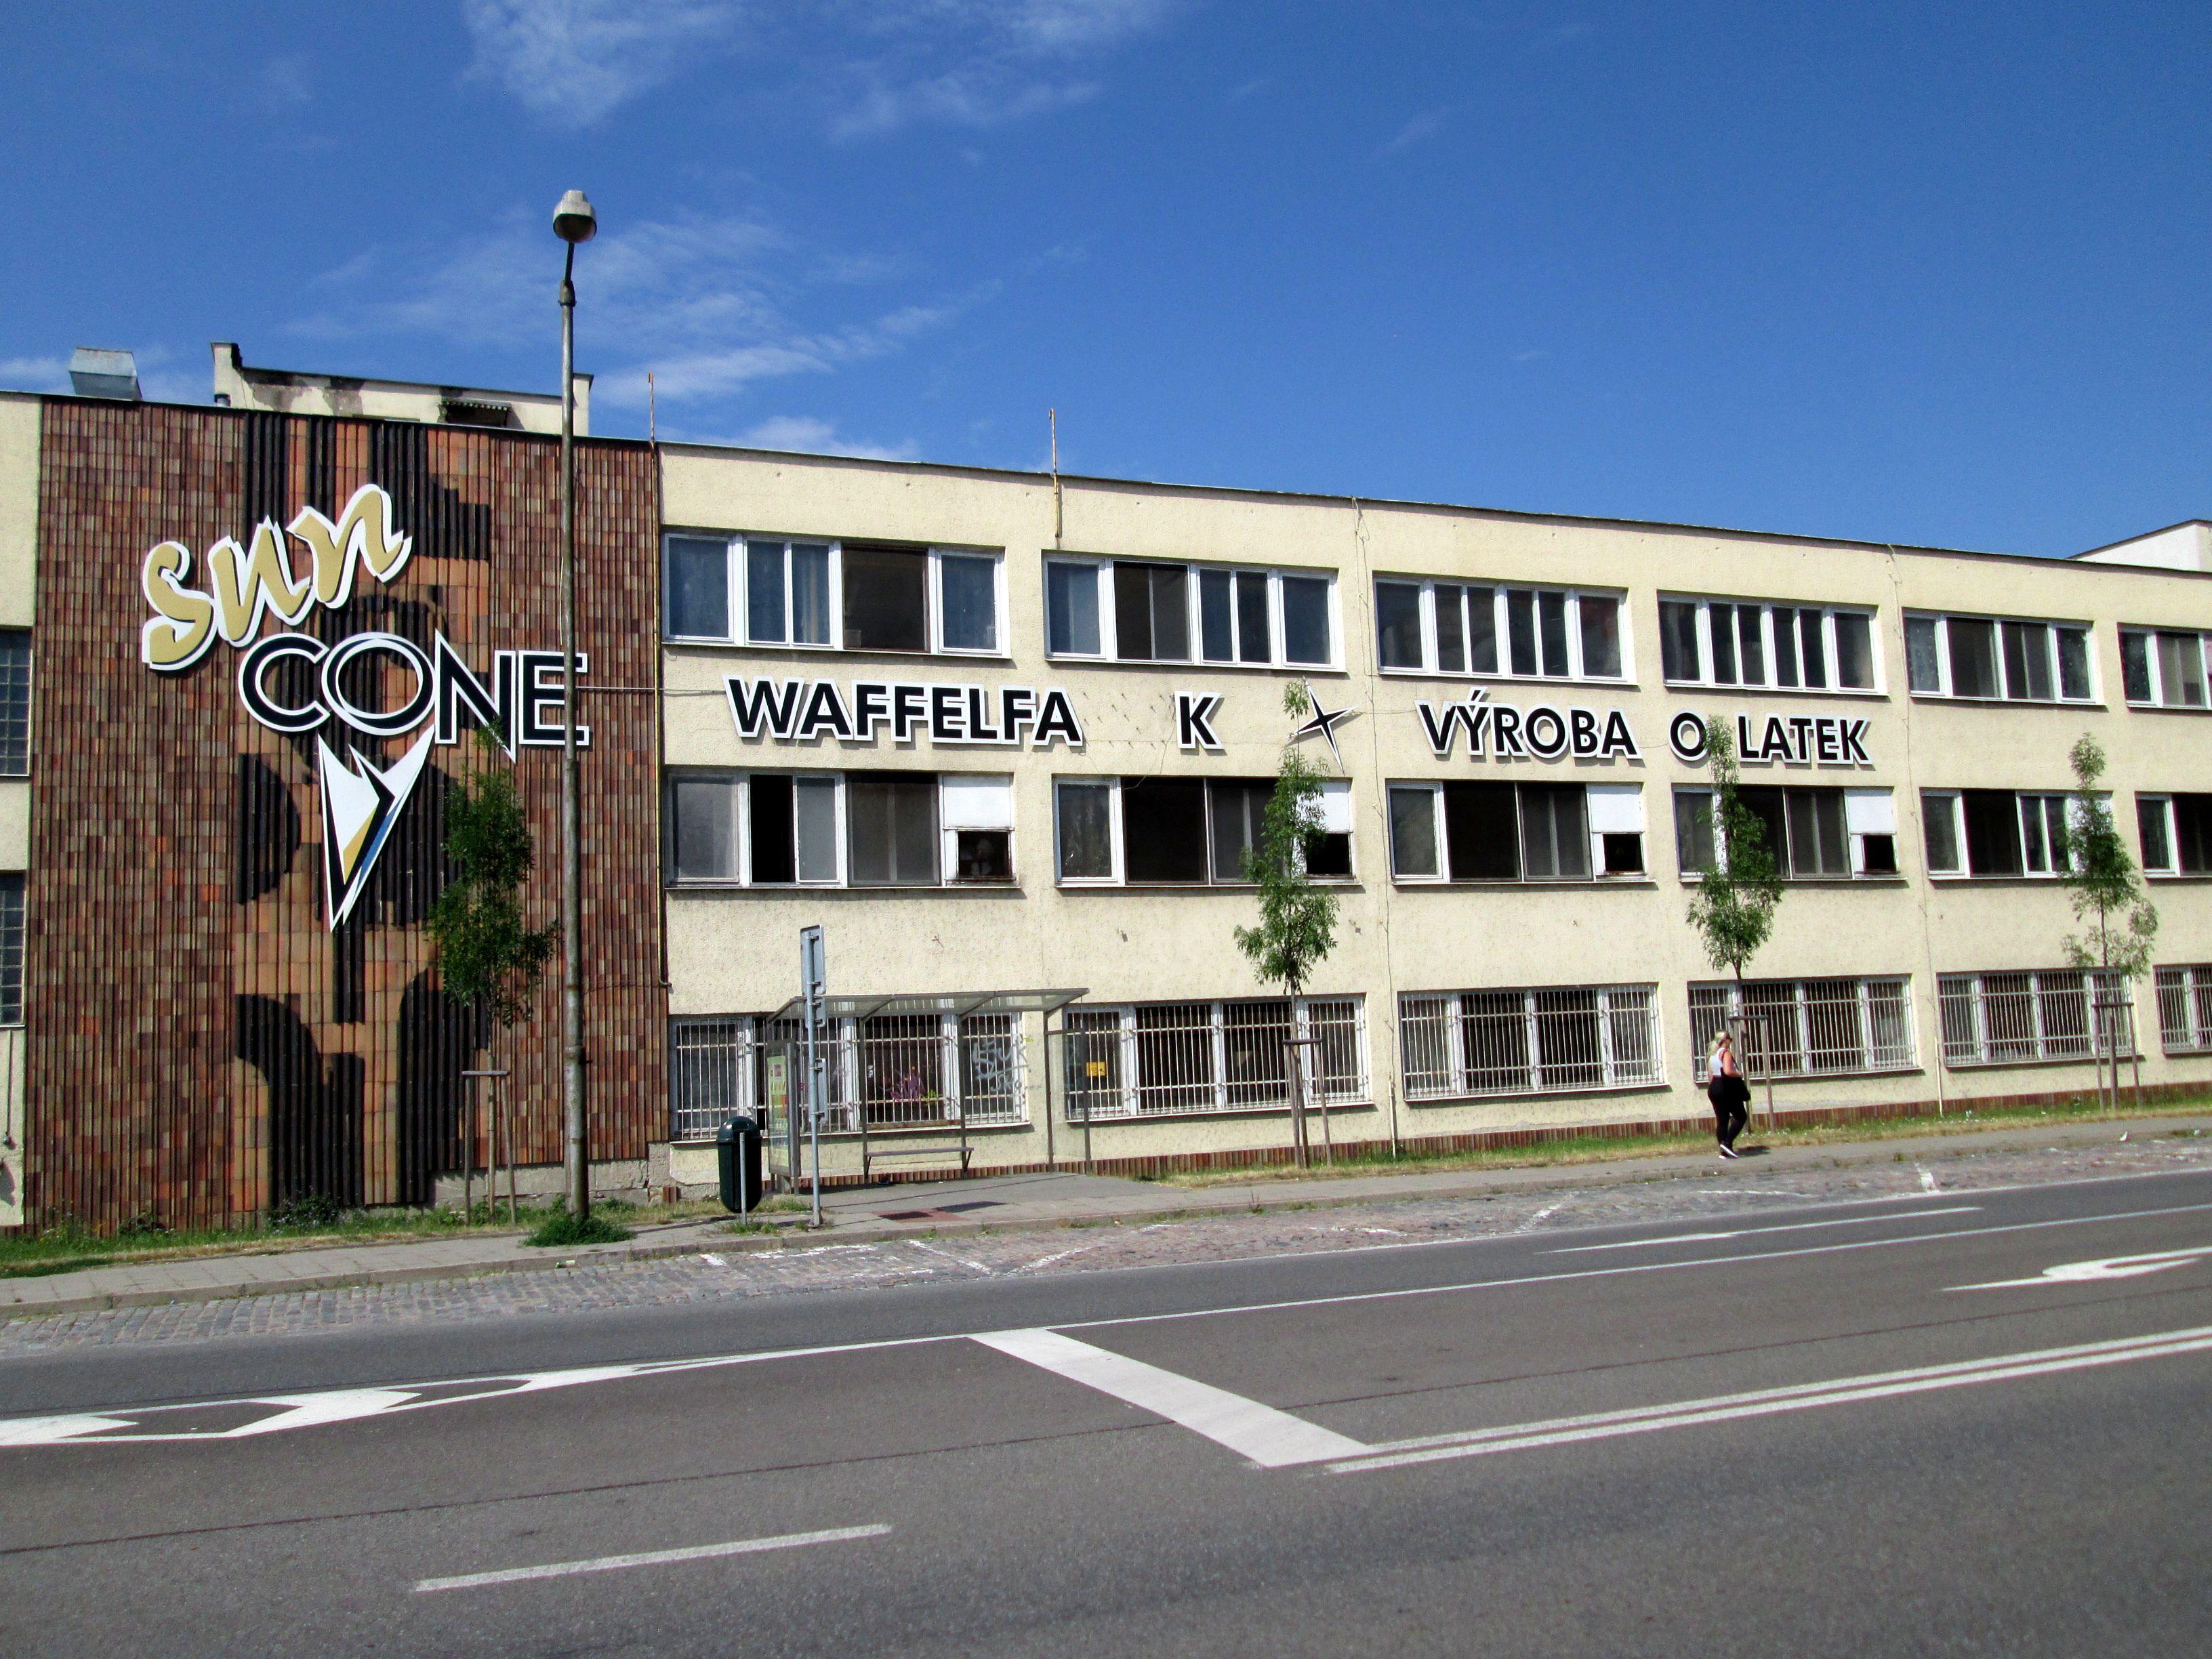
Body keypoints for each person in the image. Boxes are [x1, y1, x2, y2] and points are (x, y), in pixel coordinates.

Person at [1706, 1029, 1750, 1158]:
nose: (1730, 1041)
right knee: (1741, 1116)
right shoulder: (1725, 1053)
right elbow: (1728, 1071)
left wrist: (1714, 1088)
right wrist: (1739, 1074)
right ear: (1725, 1040)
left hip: (1714, 1087)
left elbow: (1710, 1076)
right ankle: (1727, 1142)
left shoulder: (1712, 1054)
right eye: (1729, 1039)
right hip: (1725, 1087)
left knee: (1722, 1120)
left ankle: (1724, 1150)